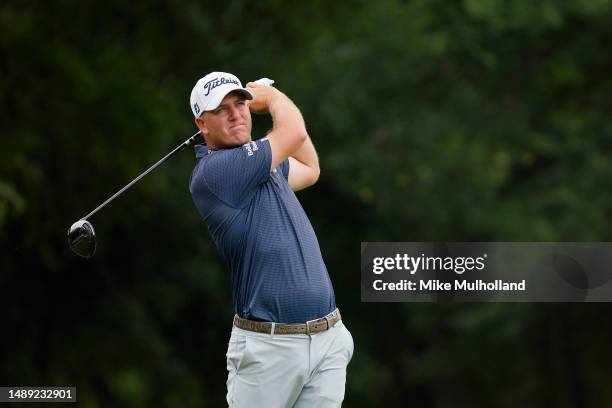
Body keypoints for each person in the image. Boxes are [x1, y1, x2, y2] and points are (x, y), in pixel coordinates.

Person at [188, 71, 353, 407]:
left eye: (241, 104)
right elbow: (293, 132)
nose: (236, 114)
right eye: (223, 110)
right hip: (269, 350)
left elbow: (310, 167)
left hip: (328, 340)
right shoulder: (217, 172)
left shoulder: (265, 163)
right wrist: (273, 99)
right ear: (202, 124)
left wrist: (273, 105)